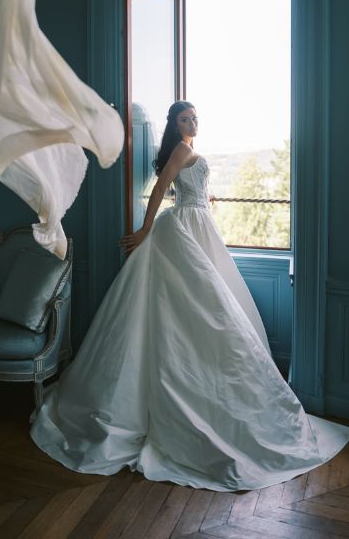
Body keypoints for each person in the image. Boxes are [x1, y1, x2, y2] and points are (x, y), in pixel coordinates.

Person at [31, 101, 348, 490]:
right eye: (185, 118)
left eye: (195, 117)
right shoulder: (181, 149)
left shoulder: (188, 148)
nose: (193, 122)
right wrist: (145, 230)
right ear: (174, 124)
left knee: (212, 304)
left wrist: (203, 199)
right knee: (198, 306)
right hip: (183, 227)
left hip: (198, 223)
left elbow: (190, 187)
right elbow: (160, 188)